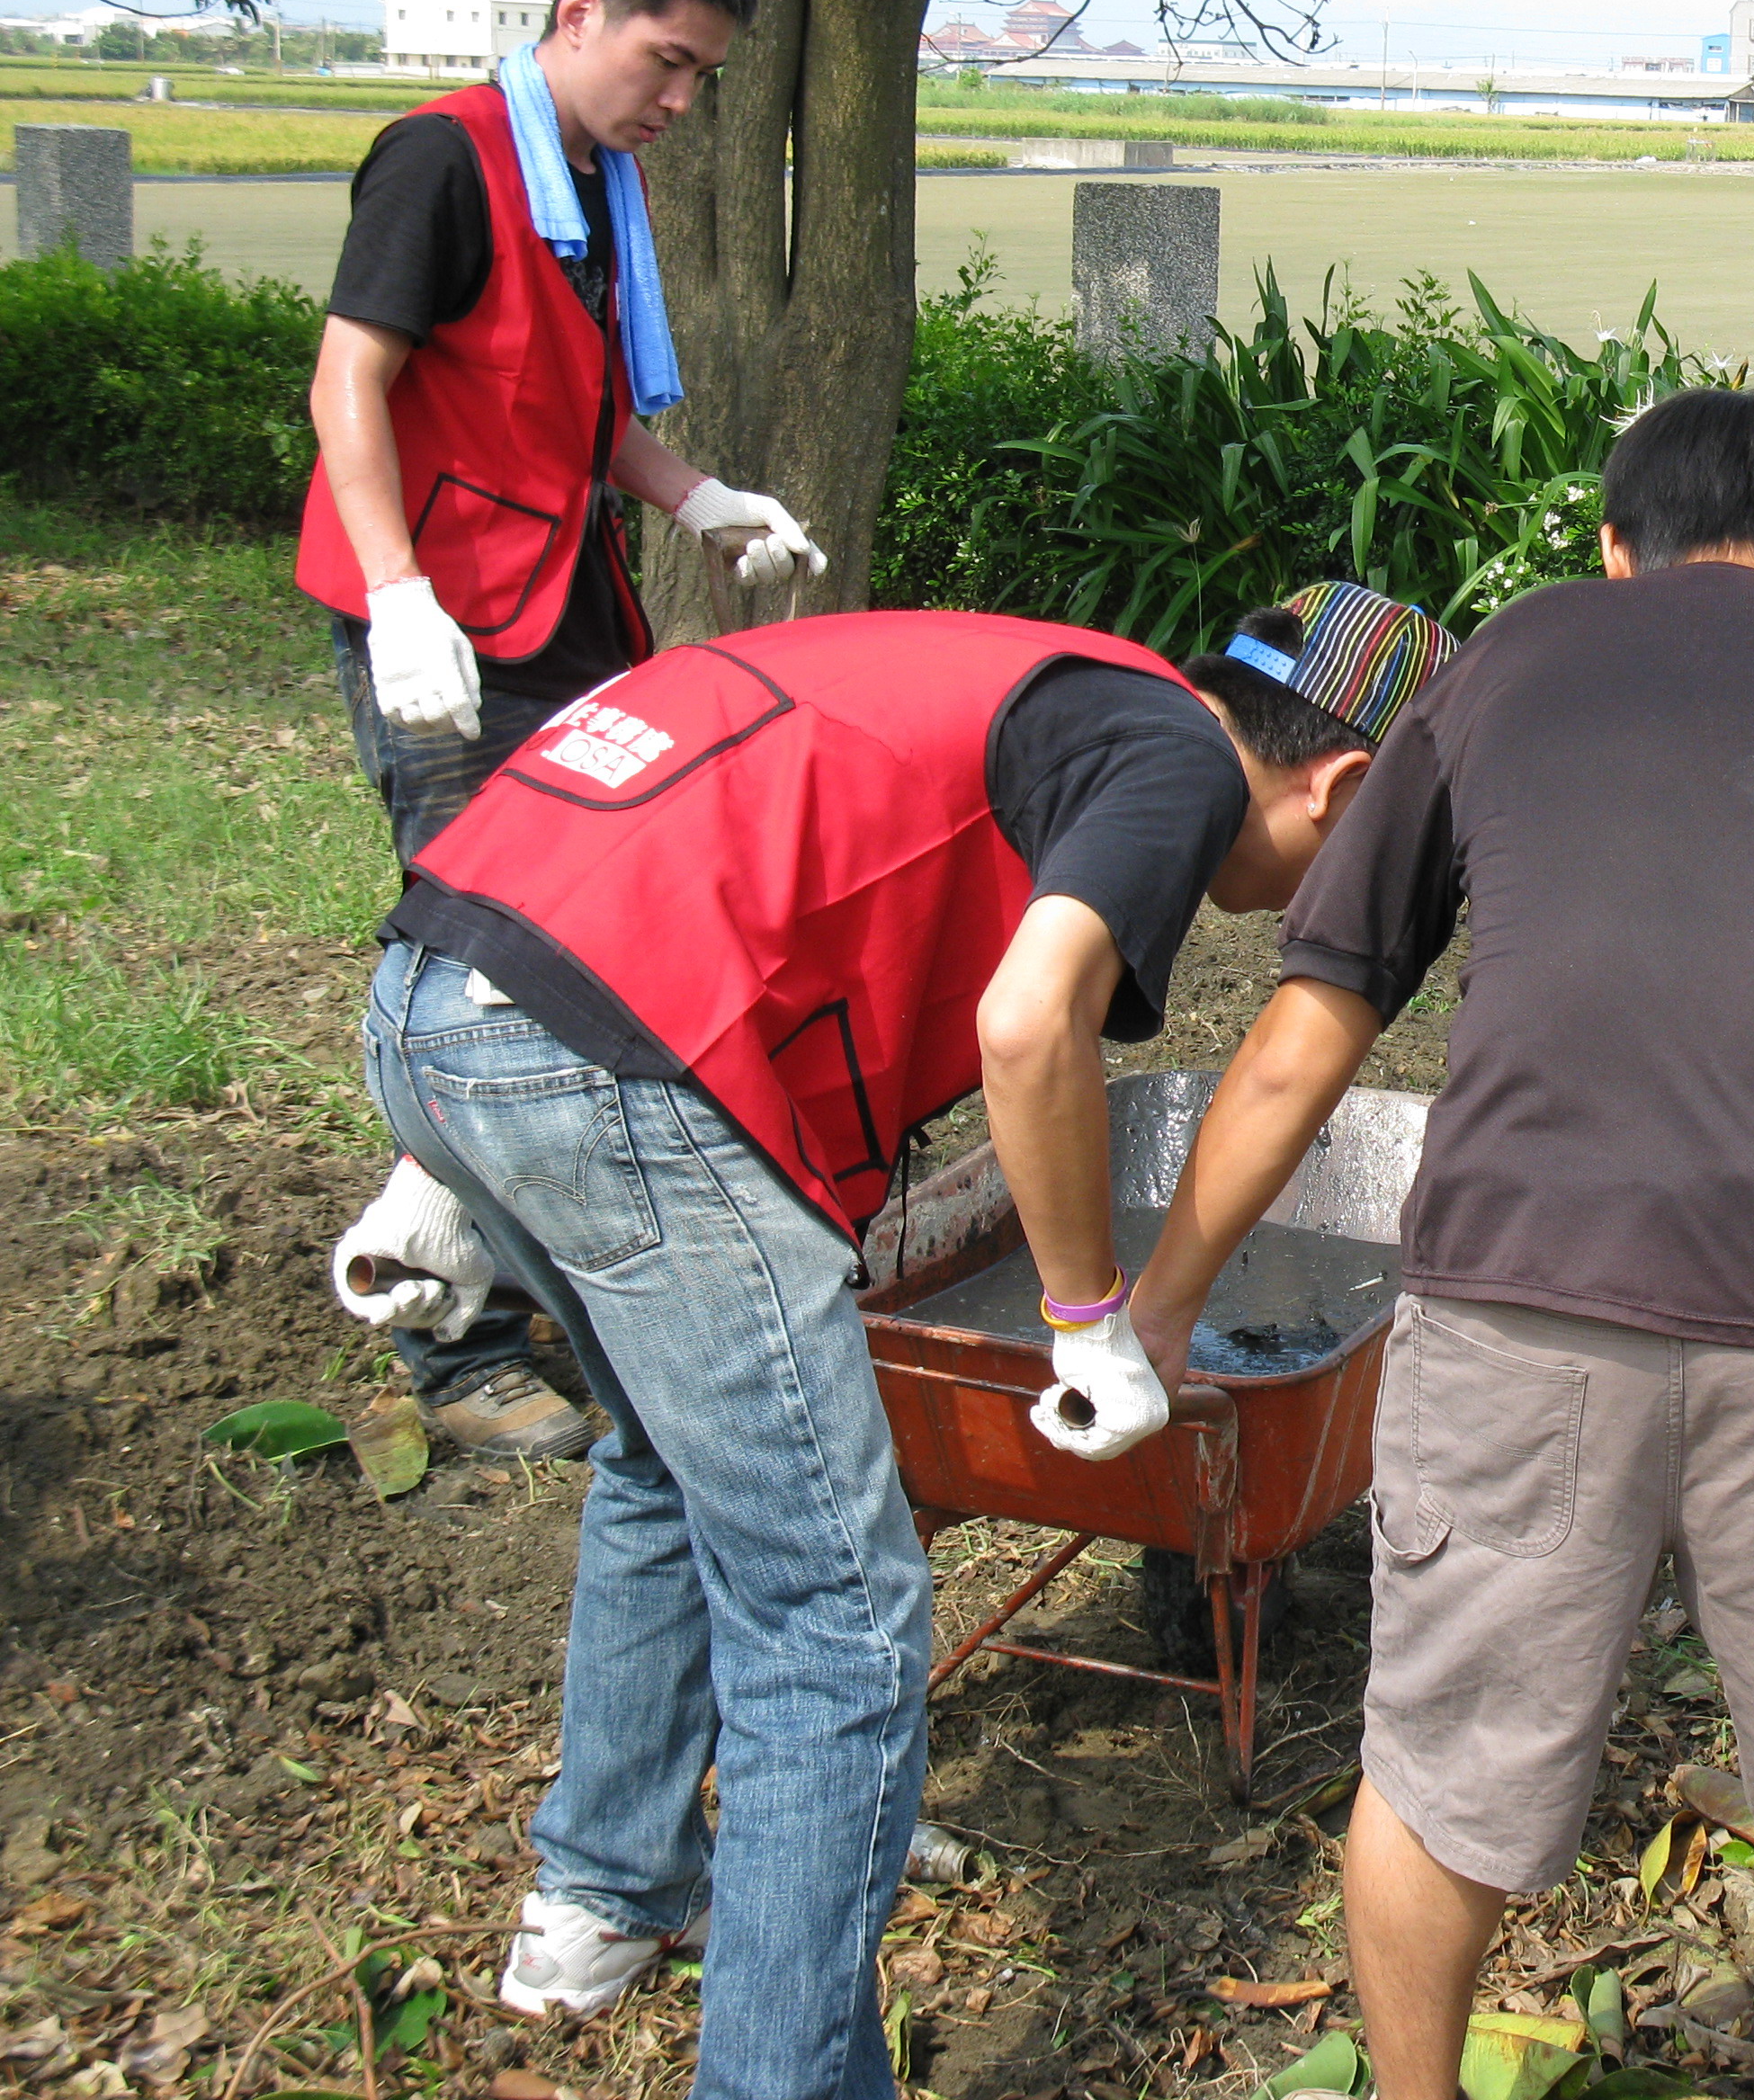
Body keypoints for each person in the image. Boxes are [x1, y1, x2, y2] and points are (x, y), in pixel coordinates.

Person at [333, 587, 1453, 2099]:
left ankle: (601, 1898)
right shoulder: (1176, 762)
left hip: (441, 987)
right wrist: (1085, 1320)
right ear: (1347, 783)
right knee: (840, 1619)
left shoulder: (1043, 677)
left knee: (665, 1466)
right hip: (604, 1058)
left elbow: (684, 815)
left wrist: (457, 1141)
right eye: (1358, 858)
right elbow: (1026, 1022)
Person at [1122, 391, 1754, 2100]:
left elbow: (1315, 1030)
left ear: (1615, 550)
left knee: (1443, 1767)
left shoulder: (1512, 662)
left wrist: (1154, 1310)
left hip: (1530, 1289)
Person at [300, 0, 824, 1464]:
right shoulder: (449, 160)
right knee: (484, 987)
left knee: (594, 966)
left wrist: (698, 498)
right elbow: (353, 382)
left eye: (704, 79)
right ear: (579, 12)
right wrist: (397, 598)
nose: (679, 99)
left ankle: (541, 1289)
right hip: (448, 643)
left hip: (563, 619)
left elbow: (569, 408)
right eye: (666, 60)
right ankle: (455, 1351)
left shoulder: (586, 184)